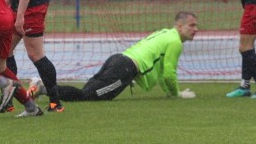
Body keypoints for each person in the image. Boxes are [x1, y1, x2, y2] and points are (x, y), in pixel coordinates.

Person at [58, 12, 198, 102]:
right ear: (179, 26)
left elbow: (162, 74)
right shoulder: (175, 42)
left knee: (85, 94)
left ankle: (44, 88)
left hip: (118, 60)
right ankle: (43, 88)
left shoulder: (166, 33)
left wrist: (170, 93)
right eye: (191, 25)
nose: (195, 29)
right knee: (87, 97)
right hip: (125, 69)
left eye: (196, 26)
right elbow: (169, 73)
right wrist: (177, 94)